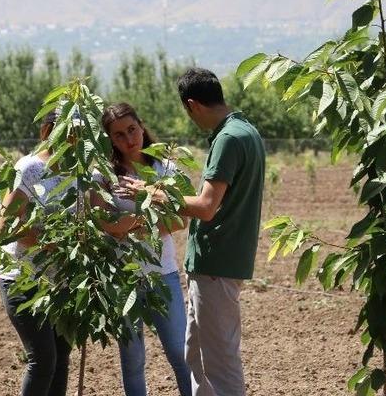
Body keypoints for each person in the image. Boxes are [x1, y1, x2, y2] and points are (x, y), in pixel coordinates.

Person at [117, 68, 265, 396]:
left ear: (192, 105)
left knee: (220, 364)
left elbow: (206, 207)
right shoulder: (246, 131)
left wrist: (150, 193)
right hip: (216, 264)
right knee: (197, 356)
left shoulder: (228, 138)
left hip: (217, 264)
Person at [92, 102, 191, 396]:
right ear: (110, 139)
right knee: (133, 360)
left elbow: (181, 219)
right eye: (119, 134)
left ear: (142, 125)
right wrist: (149, 220)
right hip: (122, 279)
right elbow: (106, 223)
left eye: (132, 129)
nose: (128, 138)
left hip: (164, 276)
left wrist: (131, 226)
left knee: (180, 354)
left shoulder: (166, 168)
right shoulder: (105, 176)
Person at [0, 110, 73, 396]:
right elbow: (7, 224)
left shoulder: (78, 174)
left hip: (63, 285)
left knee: (61, 360)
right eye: (65, 131)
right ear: (47, 131)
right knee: (43, 360)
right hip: (24, 279)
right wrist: (50, 245)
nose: (73, 139)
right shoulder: (29, 168)